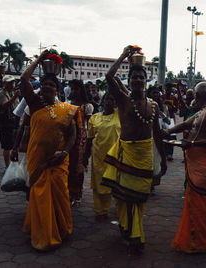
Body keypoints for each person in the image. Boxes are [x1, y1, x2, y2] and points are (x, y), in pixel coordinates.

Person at [101, 45, 166, 255]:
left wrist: (163, 159)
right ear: (129, 81)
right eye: (134, 77)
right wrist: (123, 55)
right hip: (126, 155)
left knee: (140, 197)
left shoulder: (154, 105)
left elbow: (157, 134)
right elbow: (109, 76)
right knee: (126, 197)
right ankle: (132, 232)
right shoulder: (123, 99)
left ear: (146, 82)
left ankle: (131, 227)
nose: (138, 80)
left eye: (141, 78)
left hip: (144, 157)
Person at [20, 50, 77, 251]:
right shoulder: (35, 104)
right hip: (38, 159)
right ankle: (43, 234)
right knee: (40, 196)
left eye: (51, 85)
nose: (46, 87)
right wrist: (39, 59)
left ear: (58, 89)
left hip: (58, 161)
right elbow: (23, 79)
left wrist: (65, 153)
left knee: (60, 196)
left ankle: (62, 229)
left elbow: (72, 135)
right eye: (44, 84)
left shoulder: (66, 109)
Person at [166, 82, 206, 253]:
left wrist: (192, 143)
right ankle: (193, 237)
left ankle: (201, 241)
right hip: (198, 162)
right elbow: (185, 125)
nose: (191, 100)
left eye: (194, 96)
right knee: (194, 204)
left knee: (202, 204)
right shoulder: (202, 111)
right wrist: (167, 132)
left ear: (199, 97)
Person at [84, 93, 121, 221]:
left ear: (116, 103)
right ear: (102, 101)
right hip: (98, 156)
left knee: (116, 183)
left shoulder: (120, 115)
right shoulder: (94, 118)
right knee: (99, 183)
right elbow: (89, 139)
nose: (109, 102)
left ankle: (119, 209)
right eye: (107, 99)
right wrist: (85, 157)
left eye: (112, 99)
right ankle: (101, 211)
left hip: (115, 157)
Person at [67, 79, 92, 206]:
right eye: (72, 89)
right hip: (69, 138)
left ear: (81, 90)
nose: (74, 91)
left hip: (81, 139)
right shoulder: (67, 104)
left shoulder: (86, 106)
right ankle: (69, 193)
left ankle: (77, 194)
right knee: (69, 166)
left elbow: (88, 125)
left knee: (79, 166)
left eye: (76, 89)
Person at [0, 75, 20, 167]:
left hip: (13, 122)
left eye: (13, 82)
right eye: (9, 82)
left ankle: (13, 165)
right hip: (4, 122)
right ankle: (7, 166)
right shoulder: (1, 94)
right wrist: (15, 97)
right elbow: (5, 105)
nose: (12, 84)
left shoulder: (13, 93)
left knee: (14, 144)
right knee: (7, 146)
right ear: (4, 83)